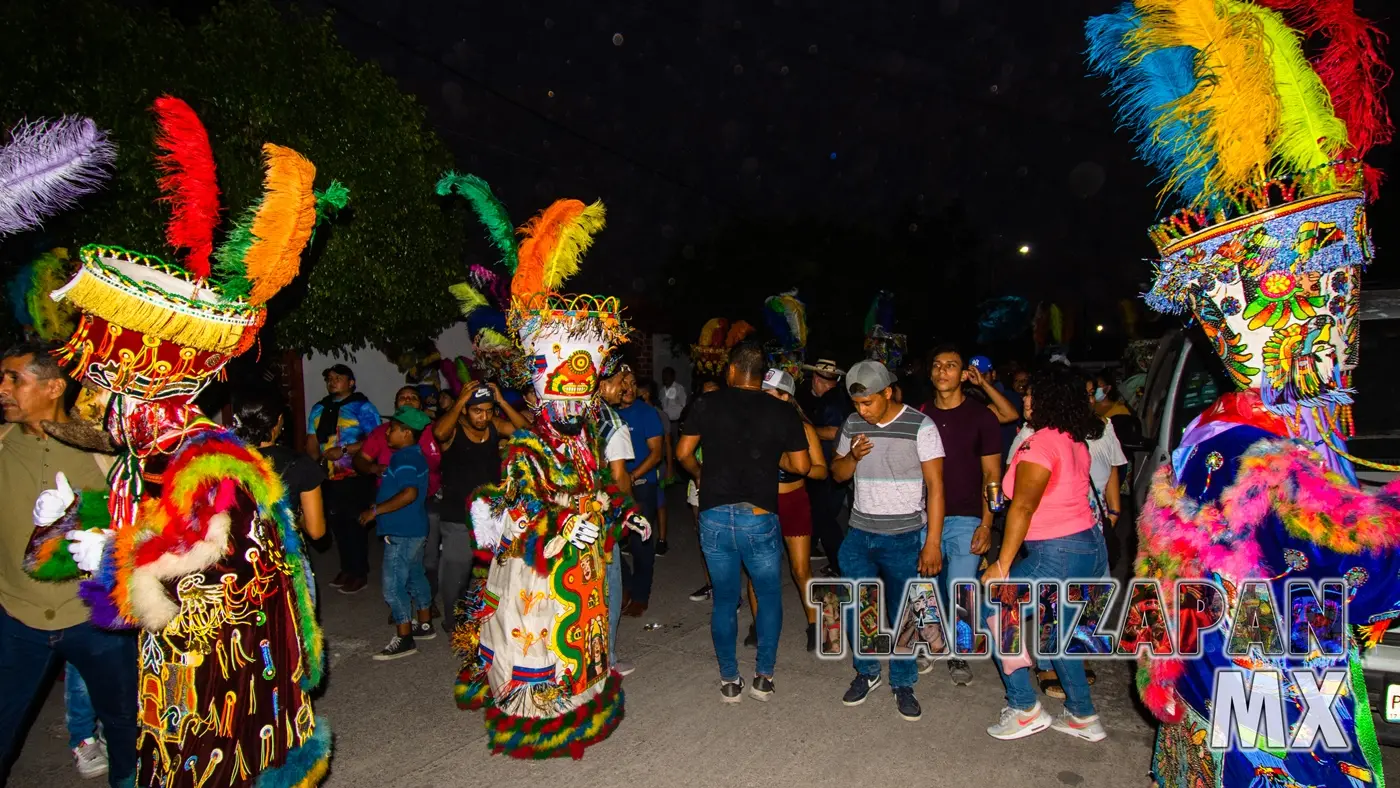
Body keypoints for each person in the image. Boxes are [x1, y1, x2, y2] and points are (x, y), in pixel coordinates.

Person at [1088, 2, 1400, 780]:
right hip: (1276, 716)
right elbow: (1363, 567)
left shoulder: (1207, 436)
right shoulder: (1276, 458)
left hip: (1207, 694)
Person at [24, 96, 337, 786]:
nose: (95, 401)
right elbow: (103, 555)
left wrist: (113, 557)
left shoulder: (213, 462)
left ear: (154, 389)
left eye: (107, 386)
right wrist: (62, 534)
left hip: (223, 686)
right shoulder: (140, 461)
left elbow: (225, 582)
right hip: (168, 678)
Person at [446, 186, 647, 758]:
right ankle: (539, 714)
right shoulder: (526, 446)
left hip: (580, 563)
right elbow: (518, 511)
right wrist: (562, 529)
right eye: (564, 404)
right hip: (537, 574)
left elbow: (602, 486)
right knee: (539, 648)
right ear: (542, 399)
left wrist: (625, 513)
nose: (573, 411)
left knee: (583, 641)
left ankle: (581, 699)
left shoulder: (583, 442)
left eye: (579, 403)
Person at [0, 341, 136, 788]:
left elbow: (141, 524)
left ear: (55, 386)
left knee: (124, 725)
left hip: (93, 618)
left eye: (14, 378)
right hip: (15, 618)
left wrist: (108, 540)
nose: (2, 388)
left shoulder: (106, 453)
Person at [677, 342, 809, 703]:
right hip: (759, 514)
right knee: (767, 597)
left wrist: (700, 474)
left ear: (732, 371)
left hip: (715, 514)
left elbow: (683, 454)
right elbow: (802, 466)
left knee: (723, 599)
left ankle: (729, 680)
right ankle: (764, 677)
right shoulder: (781, 411)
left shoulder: (706, 403)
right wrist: (770, 457)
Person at [981, 365, 1107, 742]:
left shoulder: (1038, 444)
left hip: (1057, 551)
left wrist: (1002, 565)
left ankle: (1023, 709)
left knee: (996, 608)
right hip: (1089, 546)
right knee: (1060, 634)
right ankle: (1083, 716)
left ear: (1050, 398)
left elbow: (1023, 508)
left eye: (1032, 393)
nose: (1025, 398)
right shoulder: (1073, 440)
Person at [830, 360, 945, 722]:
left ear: (888, 392)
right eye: (857, 404)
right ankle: (867, 671)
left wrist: (933, 543)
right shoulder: (853, 425)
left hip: (905, 536)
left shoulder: (920, 426)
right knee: (859, 608)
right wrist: (851, 456)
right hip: (860, 534)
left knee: (903, 615)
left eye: (869, 403)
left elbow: (937, 487)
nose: (862, 411)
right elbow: (837, 474)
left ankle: (903, 682)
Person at [918, 344, 998, 686]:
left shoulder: (982, 416)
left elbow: (992, 478)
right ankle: (930, 643)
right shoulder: (920, 414)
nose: (941, 371)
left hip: (967, 517)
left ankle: (959, 652)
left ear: (964, 374)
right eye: (936, 365)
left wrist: (988, 523)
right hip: (922, 517)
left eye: (950, 365)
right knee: (923, 586)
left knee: (960, 589)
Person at [741, 368, 828, 652]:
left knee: (801, 569)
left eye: (770, 394)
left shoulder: (803, 428)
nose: (763, 400)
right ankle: (758, 625)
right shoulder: (750, 425)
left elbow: (820, 471)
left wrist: (790, 465)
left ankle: (816, 625)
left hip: (793, 502)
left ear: (786, 396)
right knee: (758, 571)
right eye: (761, 393)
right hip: (760, 503)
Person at [432, 382, 526, 632]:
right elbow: (439, 434)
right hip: (457, 514)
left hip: (491, 512)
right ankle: (453, 621)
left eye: (488, 410)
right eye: (477, 411)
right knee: (457, 571)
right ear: (465, 409)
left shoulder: (494, 425)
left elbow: (527, 431)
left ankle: (492, 615)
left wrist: (503, 402)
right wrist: (460, 401)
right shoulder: (453, 430)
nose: (483, 416)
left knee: (498, 568)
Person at [355, 385, 443, 608]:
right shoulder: (384, 432)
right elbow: (361, 459)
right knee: (409, 564)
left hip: (426, 500)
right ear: (395, 404)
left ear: (421, 404)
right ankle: (418, 613)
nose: (407, 400)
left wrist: (375, 511)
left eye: (413, 397)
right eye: (402, 397)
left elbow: (412, 490)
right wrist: (375, 469)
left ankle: (407, 620)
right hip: (395, 504)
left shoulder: (433, 432)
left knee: (420, 561)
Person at [360, 406, 435, 660]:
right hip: (415, 528)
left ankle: (404, 637)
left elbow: (409, 493)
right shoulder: (416, 454)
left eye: (392, 429)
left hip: (401, 531)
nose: (387, 433)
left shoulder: (403, 458)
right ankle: (424, 623)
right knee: (415, 575)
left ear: (405, 433)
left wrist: (376, 511)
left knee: (393, 586)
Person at [307, 363, 382, 595]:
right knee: (337, 525)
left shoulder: (363, 407)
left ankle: (359, 572)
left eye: (338, 377)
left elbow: (377, 438)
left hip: (355, 475)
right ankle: (346, 568)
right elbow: (311, 439)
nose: (332, 381)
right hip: (328, 477)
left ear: (351, 382)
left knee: (355, 525)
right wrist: (314, 461)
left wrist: (347, 450)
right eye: (329, 378)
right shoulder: (319, 408)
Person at [797, 358, 851, 574]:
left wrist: (805, 431)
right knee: (822, 514)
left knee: (824, 517)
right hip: (825, 466)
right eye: (825, 381)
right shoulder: (808, 396)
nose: (829, 385)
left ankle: (840, 565)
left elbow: (836, 432)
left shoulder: (833, 400)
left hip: (830, 468)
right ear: (815, 378)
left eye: (833, 381)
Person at [617, 370, 664, 616]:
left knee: (641, 543)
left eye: (634, 383)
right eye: (624, 383)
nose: (630, 388)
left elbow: (656, 453)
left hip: (642, 483)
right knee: (610, 543)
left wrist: (632, 477)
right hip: (613, 487)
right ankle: (626, 585)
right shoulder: (608, 414)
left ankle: (640, 596)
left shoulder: (646, 413)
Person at [636, 379, 675, 556]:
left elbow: (668, 443)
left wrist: (670, 467)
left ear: (646, 394)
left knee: (659, 504)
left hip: (657, 466)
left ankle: (662, 539)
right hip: (641, 466)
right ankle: (640, 539)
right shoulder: (635, 413)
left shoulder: (658, 414)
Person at [660, 366, 686, 433]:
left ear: (673, 376)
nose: (665, 377)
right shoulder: (662, 391)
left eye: (667, 375)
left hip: (675, 423)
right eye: (664, 375)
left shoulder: (679, 388)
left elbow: (684, 406)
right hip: (663, 423)